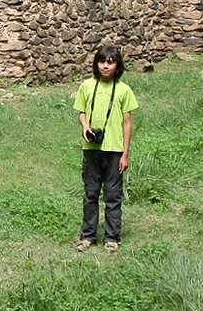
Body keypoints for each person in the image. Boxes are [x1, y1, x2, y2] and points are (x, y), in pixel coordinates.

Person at [73, 44, 138, 251]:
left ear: (117, 65)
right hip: (91, 148)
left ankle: (112, 238)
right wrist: (85, 127)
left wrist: (125, 154)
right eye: (101, 62)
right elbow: (81, 111)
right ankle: (88, 236)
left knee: (112, 195)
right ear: (96, 63)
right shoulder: (86, 86)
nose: (105, 66)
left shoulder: (124, 90)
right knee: (90, 193)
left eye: (110, 62)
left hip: (114, 150)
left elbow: (127, 123)